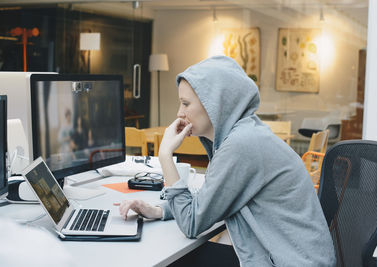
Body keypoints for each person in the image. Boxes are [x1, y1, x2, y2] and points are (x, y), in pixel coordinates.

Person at [118, 56, 336, 266]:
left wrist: (165, 155)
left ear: (214, 104)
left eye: (185, 104)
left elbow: (192, 223)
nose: (179, 113)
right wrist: (160, 210)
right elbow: (210, 200)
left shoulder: (242, 144)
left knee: (175, 259)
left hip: (289, 262)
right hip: (284, 256)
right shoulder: (245, 134)